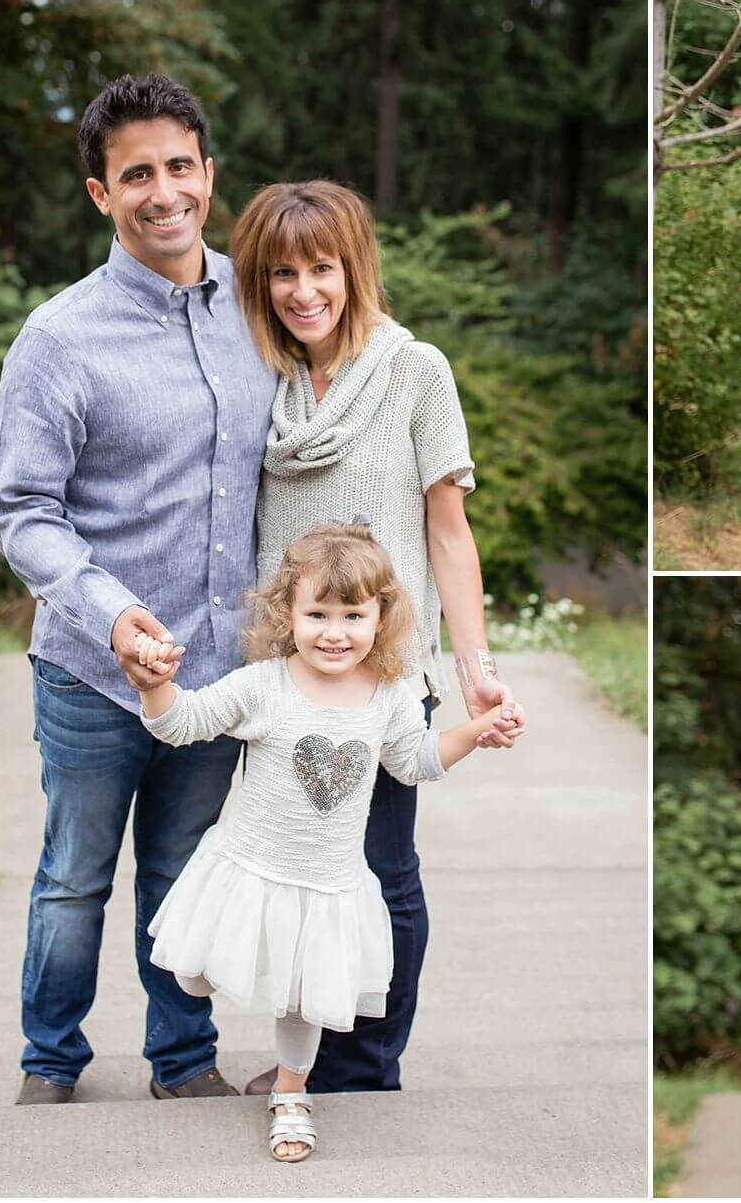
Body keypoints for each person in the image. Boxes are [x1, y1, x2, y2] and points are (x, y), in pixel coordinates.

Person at [0, 74, 274, 1105]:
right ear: (102, 195)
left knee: (185, 874)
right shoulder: (58, 337)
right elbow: (18, 506)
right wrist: (110, 612)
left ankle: (182, 1059)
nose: (164, 191)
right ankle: (49, 1061)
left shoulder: (260, 305)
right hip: (93, 673)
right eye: (136, 173)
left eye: (179, 167)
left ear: (208, 174)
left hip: (216, 674)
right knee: (75, 879)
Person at [227, 179, 523, 1097]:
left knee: (383, 867)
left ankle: (364, 1064)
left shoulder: (414, 370)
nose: (302, 290)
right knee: (293, 866)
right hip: (285, 674)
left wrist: (475, 670)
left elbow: (447, 531)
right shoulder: (260, 377)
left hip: (385, 671)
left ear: (354, 268)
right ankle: (303, 1054)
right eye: (282, 272)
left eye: (321, 268)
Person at [132, 523, 519, 1161]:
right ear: (287, 613)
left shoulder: (391, 694)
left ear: (380, 616)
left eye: (351, 615)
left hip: (327, 885)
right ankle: (186, 1056)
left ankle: (291, 1094)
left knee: (303, 999)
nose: (334, 632)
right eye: (316, 614)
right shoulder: (264, 685)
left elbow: (414, 761)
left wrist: (474, 731)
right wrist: (154, 685)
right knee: (200, 970)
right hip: (252, 869)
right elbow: (185, 722)